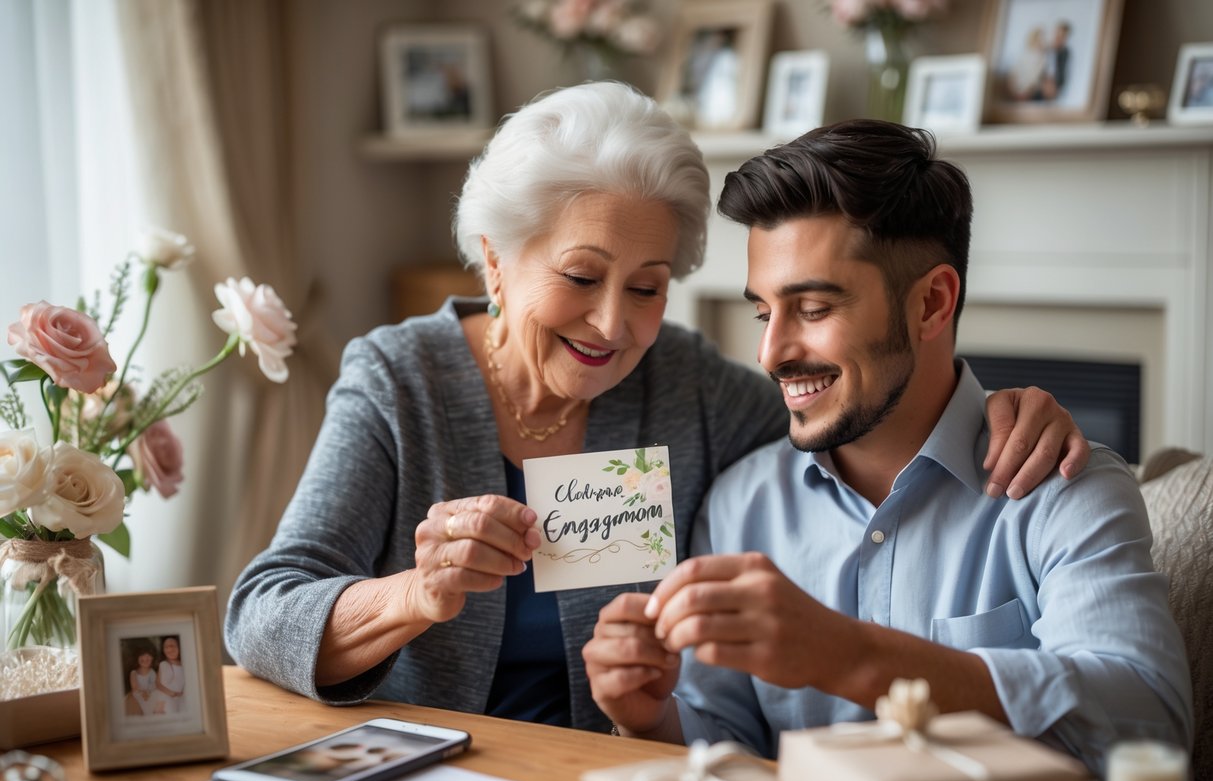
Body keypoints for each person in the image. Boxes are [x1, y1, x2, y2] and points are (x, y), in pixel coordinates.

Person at [224, 82, 1088, 735]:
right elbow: (260, 613)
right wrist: (414, 595)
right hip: (427, 777)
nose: (613, 324)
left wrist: (1000, 405)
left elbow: (854, 414)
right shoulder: (398, 380)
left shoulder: (690, 387)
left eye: (647, 286)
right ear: (495, 261)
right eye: (579, 277)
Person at [582, 119, 1193, 776]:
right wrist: (650, 715)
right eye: (763, 313)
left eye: (812, 309)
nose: (770, 352)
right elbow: (724, 738)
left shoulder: (1064, 487)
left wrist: (849, 655)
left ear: (931, 303)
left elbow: (1151, 735)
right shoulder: (739, 504)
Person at [150, 635, 185, 715]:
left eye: (172, 646)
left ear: (179, 647)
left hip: (179, 698)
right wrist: (171, 693)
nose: (169, 649)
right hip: (166, 696)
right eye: (166, 647)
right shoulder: (164, 664)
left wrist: (180, 694)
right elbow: (158, 683)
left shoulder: (184, 664)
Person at [1040, 20, 1072, 101]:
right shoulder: (1045, 48)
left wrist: (1054, 85)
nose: (1058, 37)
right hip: (1041, 83)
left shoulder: (1065, 52)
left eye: (1062, 36)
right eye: (1057, 33)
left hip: (1055, 84)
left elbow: (1062, 73)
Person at [126, 646, 157, 716]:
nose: (145, 658)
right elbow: (135, 687)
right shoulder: (134, 672)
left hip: (149, 693)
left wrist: (148, 692)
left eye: (148, 657)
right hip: (137, 694)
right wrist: (143, 693)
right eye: (142, 656)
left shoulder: (152, 672)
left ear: (152, 659)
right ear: (137, 658)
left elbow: (154, 685)